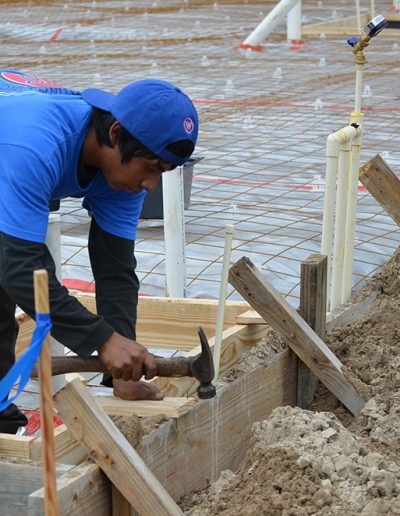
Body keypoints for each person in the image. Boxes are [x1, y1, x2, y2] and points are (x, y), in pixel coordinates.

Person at [0, 70, 199, 433]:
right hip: (12, 145)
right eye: (151, 168)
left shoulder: (122, 174)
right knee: (17, 273)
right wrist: (101, 340)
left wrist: (121, 367)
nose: (150, 184)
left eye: (163, 173)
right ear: (115, 134)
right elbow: (18, 269)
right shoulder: (36, 144)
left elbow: (116, 271)